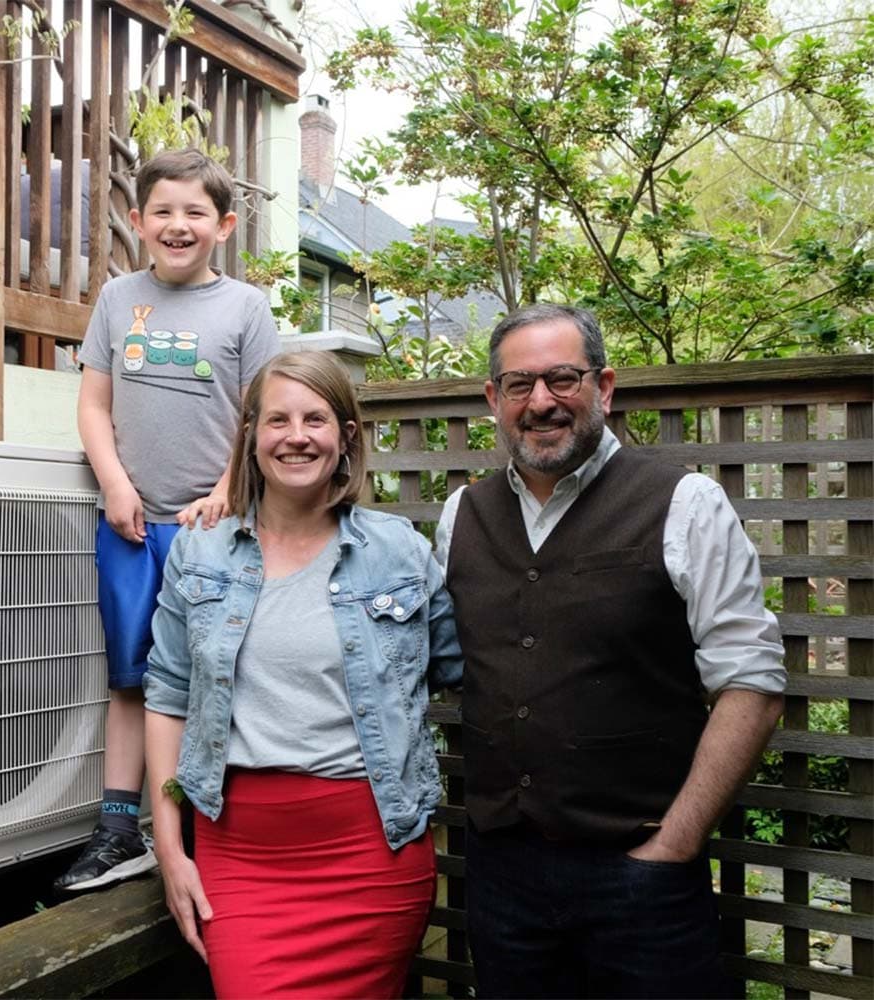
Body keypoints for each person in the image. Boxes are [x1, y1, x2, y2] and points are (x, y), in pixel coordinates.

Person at [434, 303, 786, 998]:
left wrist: (673, 846)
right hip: (504, 878)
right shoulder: (461, 515)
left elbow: (754, 683)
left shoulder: (684, 503)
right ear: (492, 400)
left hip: (641, 877)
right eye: (518, 385)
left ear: (606, 386)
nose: (541, 402)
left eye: (563, 378)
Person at [143, 351, 464, 997]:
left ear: (345, 436)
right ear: (251, 436)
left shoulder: (397, 549)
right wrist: (171, 851)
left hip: (372, 854)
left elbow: (458, 665)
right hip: (240, 854)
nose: (296, 436)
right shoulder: (198, 552)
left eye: (315, 418)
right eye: (277, 419)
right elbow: (167, 695)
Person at [56, 149, 280, 892]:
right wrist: (114, 483)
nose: (177, 225)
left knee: (214, 676)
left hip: (213, 530)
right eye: (163, 212)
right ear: (137, 220)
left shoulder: (246, 309)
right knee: (130, 680)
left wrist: (226, 490)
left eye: (194, 213)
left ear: (224, 225)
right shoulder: (119, 300)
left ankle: (198, 829)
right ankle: (121, 830)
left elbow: (258, 418)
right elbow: (93, 403)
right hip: (131, 525)